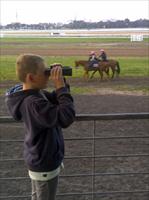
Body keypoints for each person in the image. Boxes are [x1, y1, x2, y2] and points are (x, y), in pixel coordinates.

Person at [5, 54, 75, 200]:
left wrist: (62, 84)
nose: (48, 76)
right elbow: (66, 116)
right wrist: (60, 87)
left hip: (41, 158)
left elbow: (57, 101)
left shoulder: (35, 94)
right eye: (45, 72)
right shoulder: (33, 103)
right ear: (31, 77)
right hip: (44, 162)